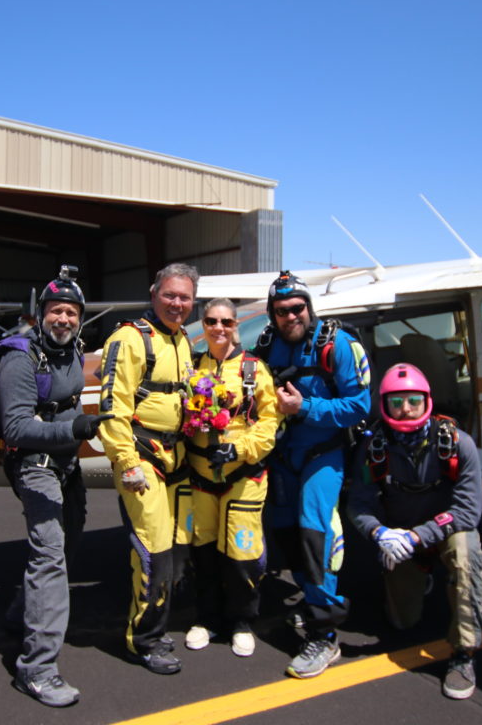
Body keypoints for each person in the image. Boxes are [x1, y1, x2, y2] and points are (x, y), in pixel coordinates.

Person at [0, 267, 112, 707]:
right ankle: (38, 669)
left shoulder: (73, 349)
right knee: (50, 558)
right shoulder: (20, 355)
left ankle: (19, 614)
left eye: (71, 312)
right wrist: (77, 430)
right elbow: (16, 426)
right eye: (55, 310)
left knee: (67, 545)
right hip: (35, 466)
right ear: (40, 314)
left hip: (66, 465)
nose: (63, 318)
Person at [254, 270, 371, 679]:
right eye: (281, 310)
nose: (291, 316)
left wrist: (305, 410)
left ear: (309, 306)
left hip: (325, 453)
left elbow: (359, 406)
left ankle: (324, 633)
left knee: (314, 532)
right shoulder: (267, 345)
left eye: (297, 307)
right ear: (272, 314)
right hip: (283, 456)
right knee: (286, 534)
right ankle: (309, 599)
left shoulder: (338, 345)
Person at [346, 363, 482, 700]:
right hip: (400, 535)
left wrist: (417, 537)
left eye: (412, 400)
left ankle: (464, 653)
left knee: (466, 553)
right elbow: (359, 505)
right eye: (396, 402)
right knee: (402, 622)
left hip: (444, 531)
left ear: (427, 401)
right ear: (384, 405)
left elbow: (468, 511)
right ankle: (420, 575)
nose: (405, 409)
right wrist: (379, 533)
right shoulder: (372, 449)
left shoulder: (457, 443)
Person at [97, 262, 197, 674]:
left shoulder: (183, 340)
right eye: (170, 295)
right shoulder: (129, 338)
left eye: (185, 297)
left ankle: (156, 621)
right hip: (143, 458)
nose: (177, 303)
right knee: (153, 549)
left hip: (179, 458)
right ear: (154, 293)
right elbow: (112, 407)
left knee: (176, 548)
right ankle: (144, 640)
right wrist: (126, 461)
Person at [183, 299, 281, 658]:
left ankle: (242, 620)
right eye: (211, 321)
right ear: (204, 324)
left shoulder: (253, 369)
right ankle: (206, 618)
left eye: (226, 321)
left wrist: (240, 450)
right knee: (203, 551)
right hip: (200, 475)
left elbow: (271, 420)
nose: (218, 328)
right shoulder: (192, 366)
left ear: (235, 324)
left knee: (241, 552)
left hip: (244, 475)